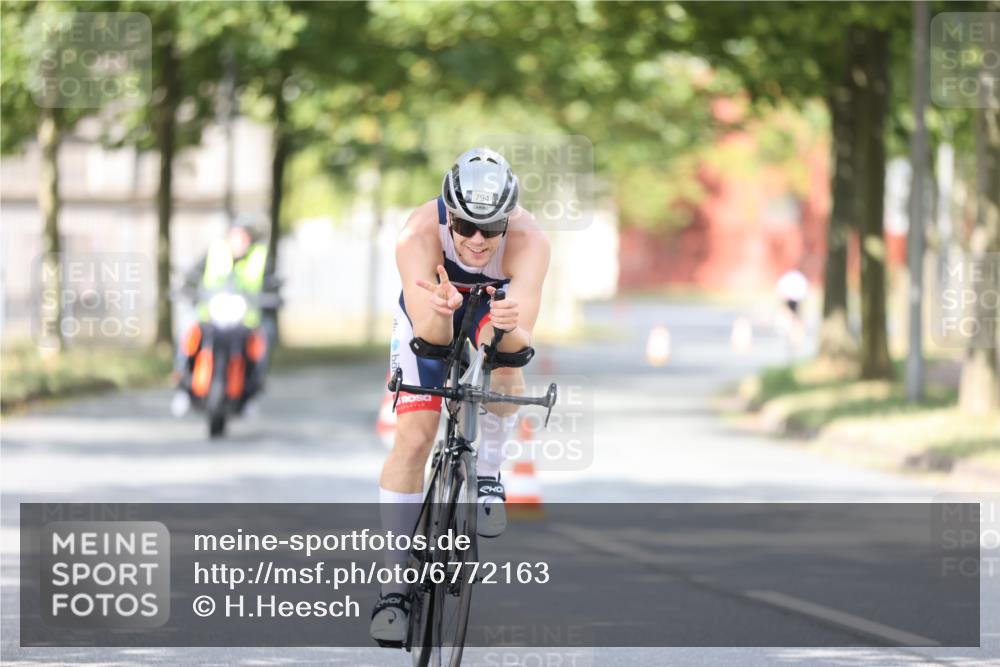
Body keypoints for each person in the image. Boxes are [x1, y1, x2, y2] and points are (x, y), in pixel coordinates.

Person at [370, 148, 551, 643]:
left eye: (490, 229)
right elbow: (428, 340)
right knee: (414, 438)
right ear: (448, 215)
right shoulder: (417, 235)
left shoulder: (531, 241)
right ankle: (394, 588)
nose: (477, 240)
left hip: (494, 311)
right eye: (466, 226)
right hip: (430, 314)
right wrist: (441, 310)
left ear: (508, 221)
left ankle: (488, 474)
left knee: (507, 368)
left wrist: (505, 329)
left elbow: (519, 344)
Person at [170, 215, 272, 417]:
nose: (238, 242)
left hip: (245, 319)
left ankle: (253, 390)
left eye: (242, 238)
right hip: (210, 315)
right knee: (186, 331)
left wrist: (271, 297)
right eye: (235, 236)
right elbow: (193, 276)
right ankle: (182, 381)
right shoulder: (215, 252)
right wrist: (186, 289)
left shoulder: (260, 257)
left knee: (265, 336)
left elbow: (271, 282)